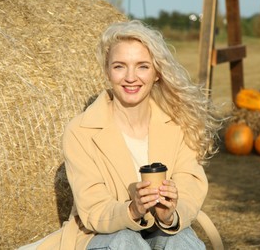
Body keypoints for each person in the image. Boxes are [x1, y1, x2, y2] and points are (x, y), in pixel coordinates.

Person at [19, 20, 223, 250]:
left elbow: (189, 186)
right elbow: (93, 208)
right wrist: (132, 210)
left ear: (157, 73)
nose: (131, 77)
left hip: (163, 229)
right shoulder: (80, 131)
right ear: (107, 71)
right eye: (119, 66)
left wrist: (170, 214)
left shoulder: (178, 124)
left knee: (180, 240)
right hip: (105, 235)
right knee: (126, 241)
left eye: (142, 66)